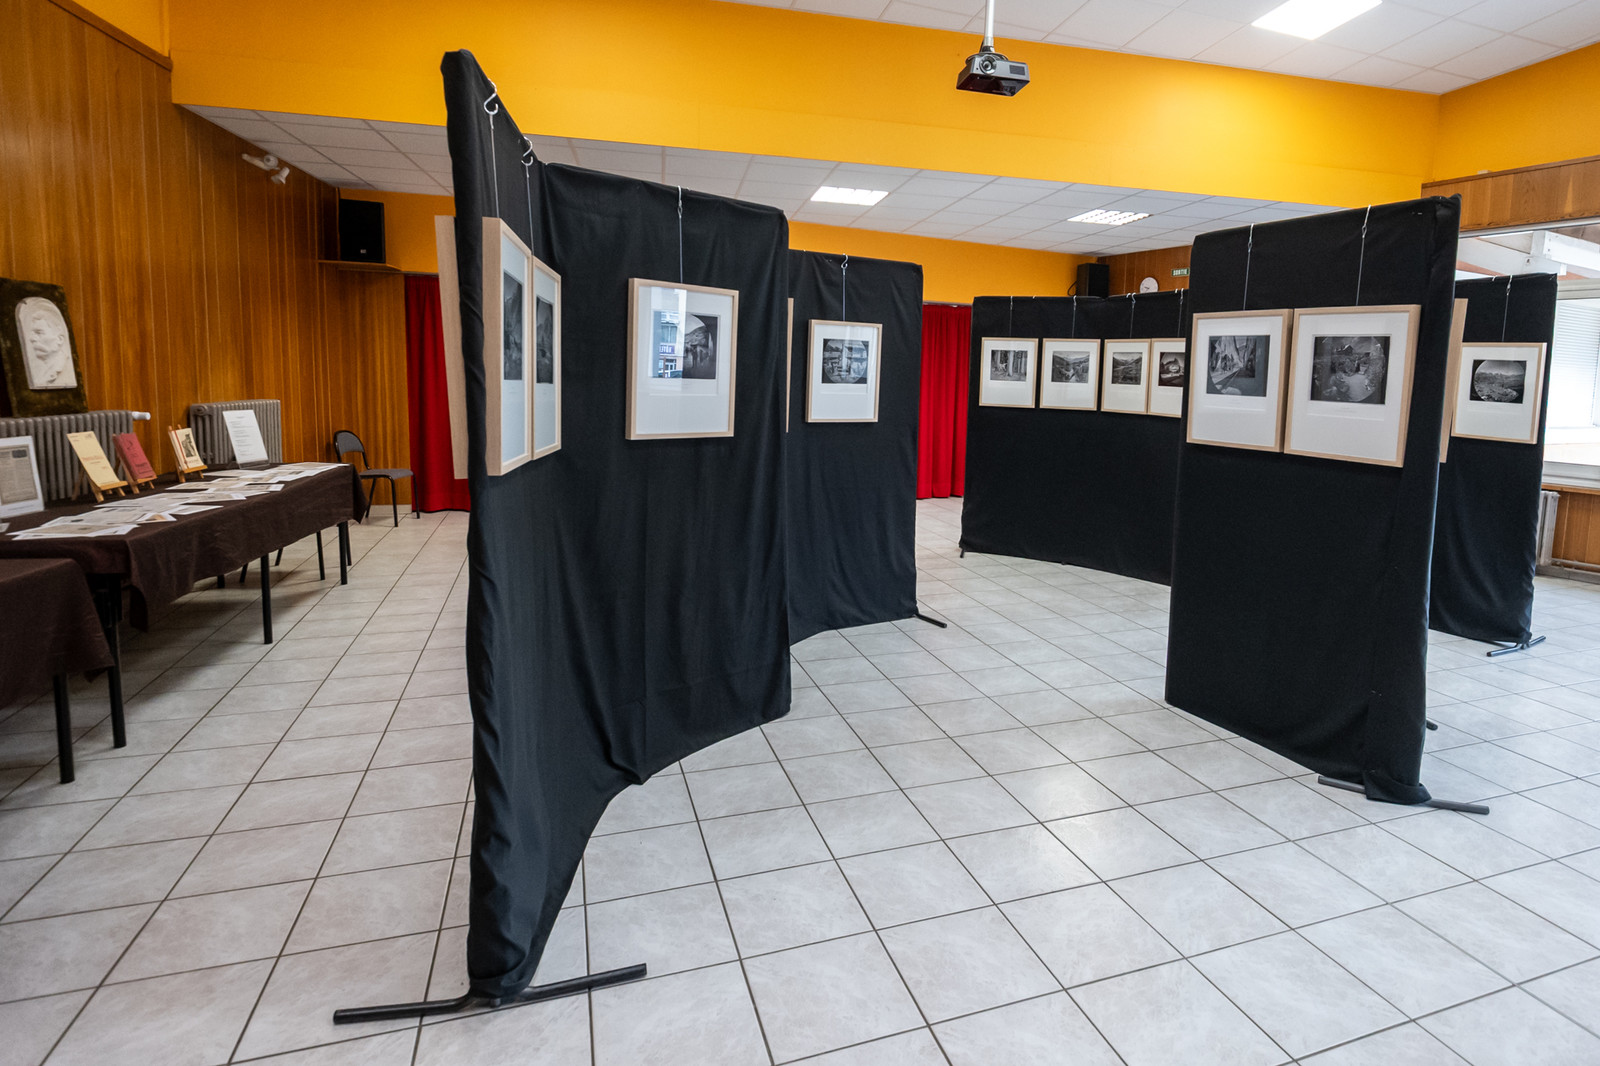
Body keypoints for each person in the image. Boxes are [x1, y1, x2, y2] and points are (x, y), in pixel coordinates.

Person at [15, 296, 77, 390]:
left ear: (60, 339)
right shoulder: (40, 371)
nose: (32, 339)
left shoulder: (60, 368)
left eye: (39, 333)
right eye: (33, 333)